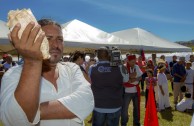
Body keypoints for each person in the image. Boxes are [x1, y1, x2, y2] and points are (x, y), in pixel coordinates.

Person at [0, 19, 94, 126]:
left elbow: (86, 101)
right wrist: (32, 62)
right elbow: (13, 120)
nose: (55, 45)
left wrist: (32, 112)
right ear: (33, 41)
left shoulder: (72, 68)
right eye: (48, 38)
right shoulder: (14, 74)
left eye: (60, 39)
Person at [90, 47, 128, 126]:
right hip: (114, 105)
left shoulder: (92, 68)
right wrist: (120, 63)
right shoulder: (119, 67)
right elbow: (126, 79)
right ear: (109, 55)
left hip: (98, 105)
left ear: (97, 56)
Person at [122, 55, 142, 126]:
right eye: (132, 62)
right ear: (128, 61)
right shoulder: (124, 67)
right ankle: (124, 123)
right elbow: (125, 80)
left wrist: (134, 78)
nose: (134, 63)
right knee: (125, 109)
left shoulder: (136, 66)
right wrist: (131, 76)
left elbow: (140, 77)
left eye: (134, 61)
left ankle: (136, 122)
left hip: (135, 91)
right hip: (127, 92)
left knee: (136, 108)